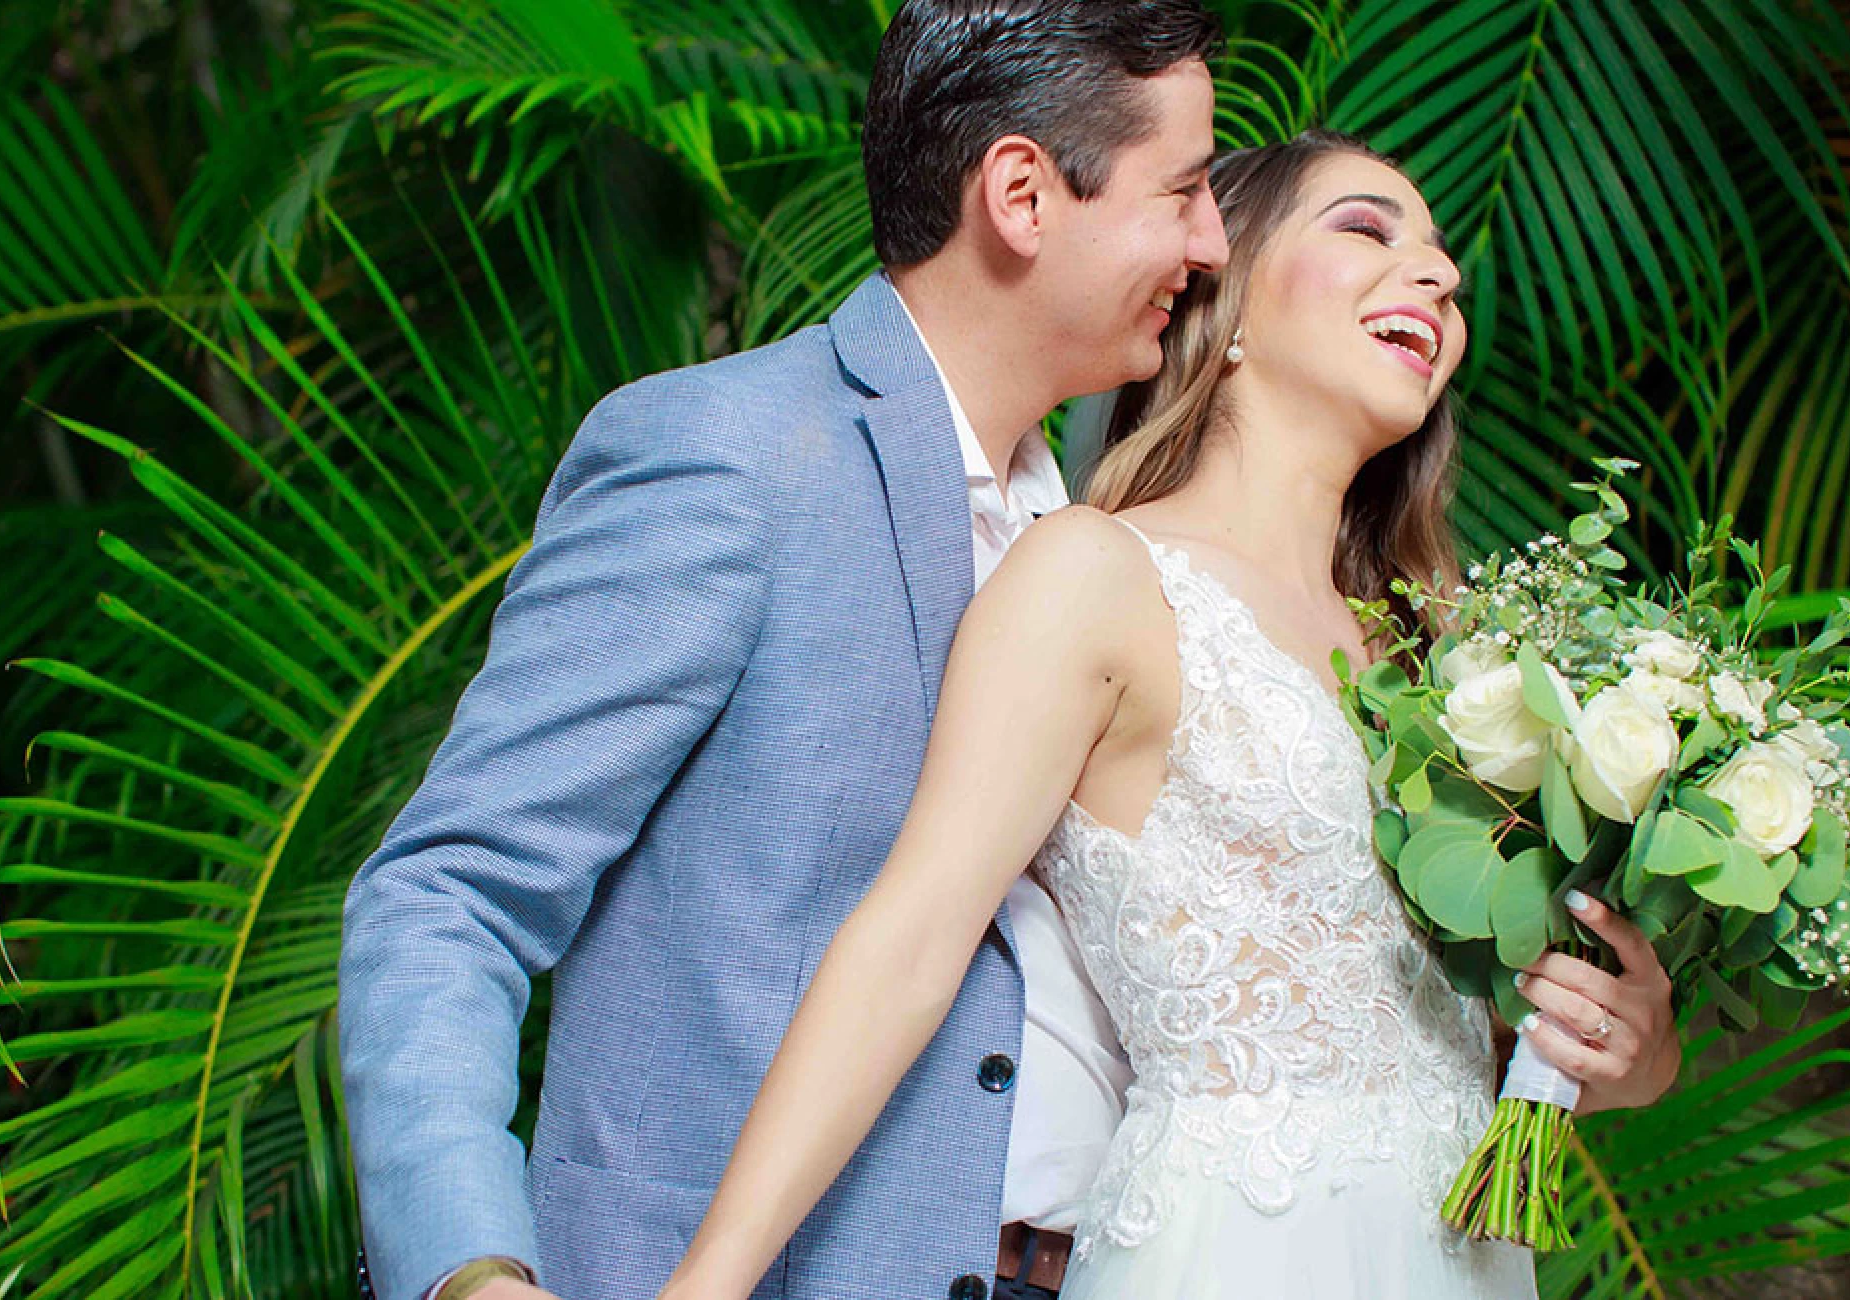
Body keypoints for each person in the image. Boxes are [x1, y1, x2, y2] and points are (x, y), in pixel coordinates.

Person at [655, 132, 1682, 1300]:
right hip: (1237, 1249)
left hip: (1459, 1257)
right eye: (1366, 229)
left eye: (1443, 255)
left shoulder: (1459, 660)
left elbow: (1477, 1031)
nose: (1439, 274)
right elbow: (908, 942)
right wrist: (707, 1286)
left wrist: (1631, 1050)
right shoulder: (1095, 578)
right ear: (1225, 298)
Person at [336, 3, 1234, 1298]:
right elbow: (449, 896)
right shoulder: (727, 455)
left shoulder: (1115, 557)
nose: (1210, 246)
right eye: (1184, 192)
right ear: (1023, 194)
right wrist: (472, 1273)